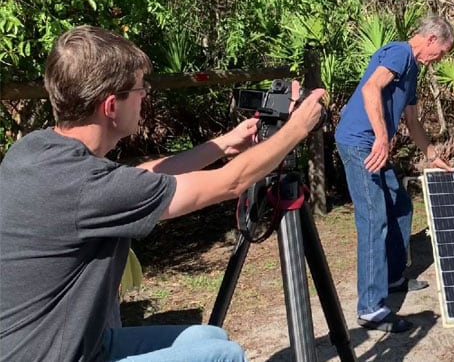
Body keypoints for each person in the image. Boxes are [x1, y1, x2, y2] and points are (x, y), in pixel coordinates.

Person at [0, 25, 324, 361]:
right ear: (111, 106)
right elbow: (230, 183)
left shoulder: (33, 150)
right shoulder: (88, 187)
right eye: (141, 89)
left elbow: (139, 177)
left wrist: (223, 144)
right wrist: (297, 129)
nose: (145, 97)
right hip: (58, 356)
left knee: (211, 336)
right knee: (224, 356)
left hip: (67, 343)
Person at [334, 15, 454, 333]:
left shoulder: (413, 70)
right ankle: (371, 309)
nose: (439, 60)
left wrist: (433, 156)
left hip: (372, 144)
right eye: (441, 52)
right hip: (360, 143)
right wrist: (382, 137)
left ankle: (392, 277)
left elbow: (413, 123)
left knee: (401, 207)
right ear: (430, 39)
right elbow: (371, 88)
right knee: (374, 220)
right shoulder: (400, 52)